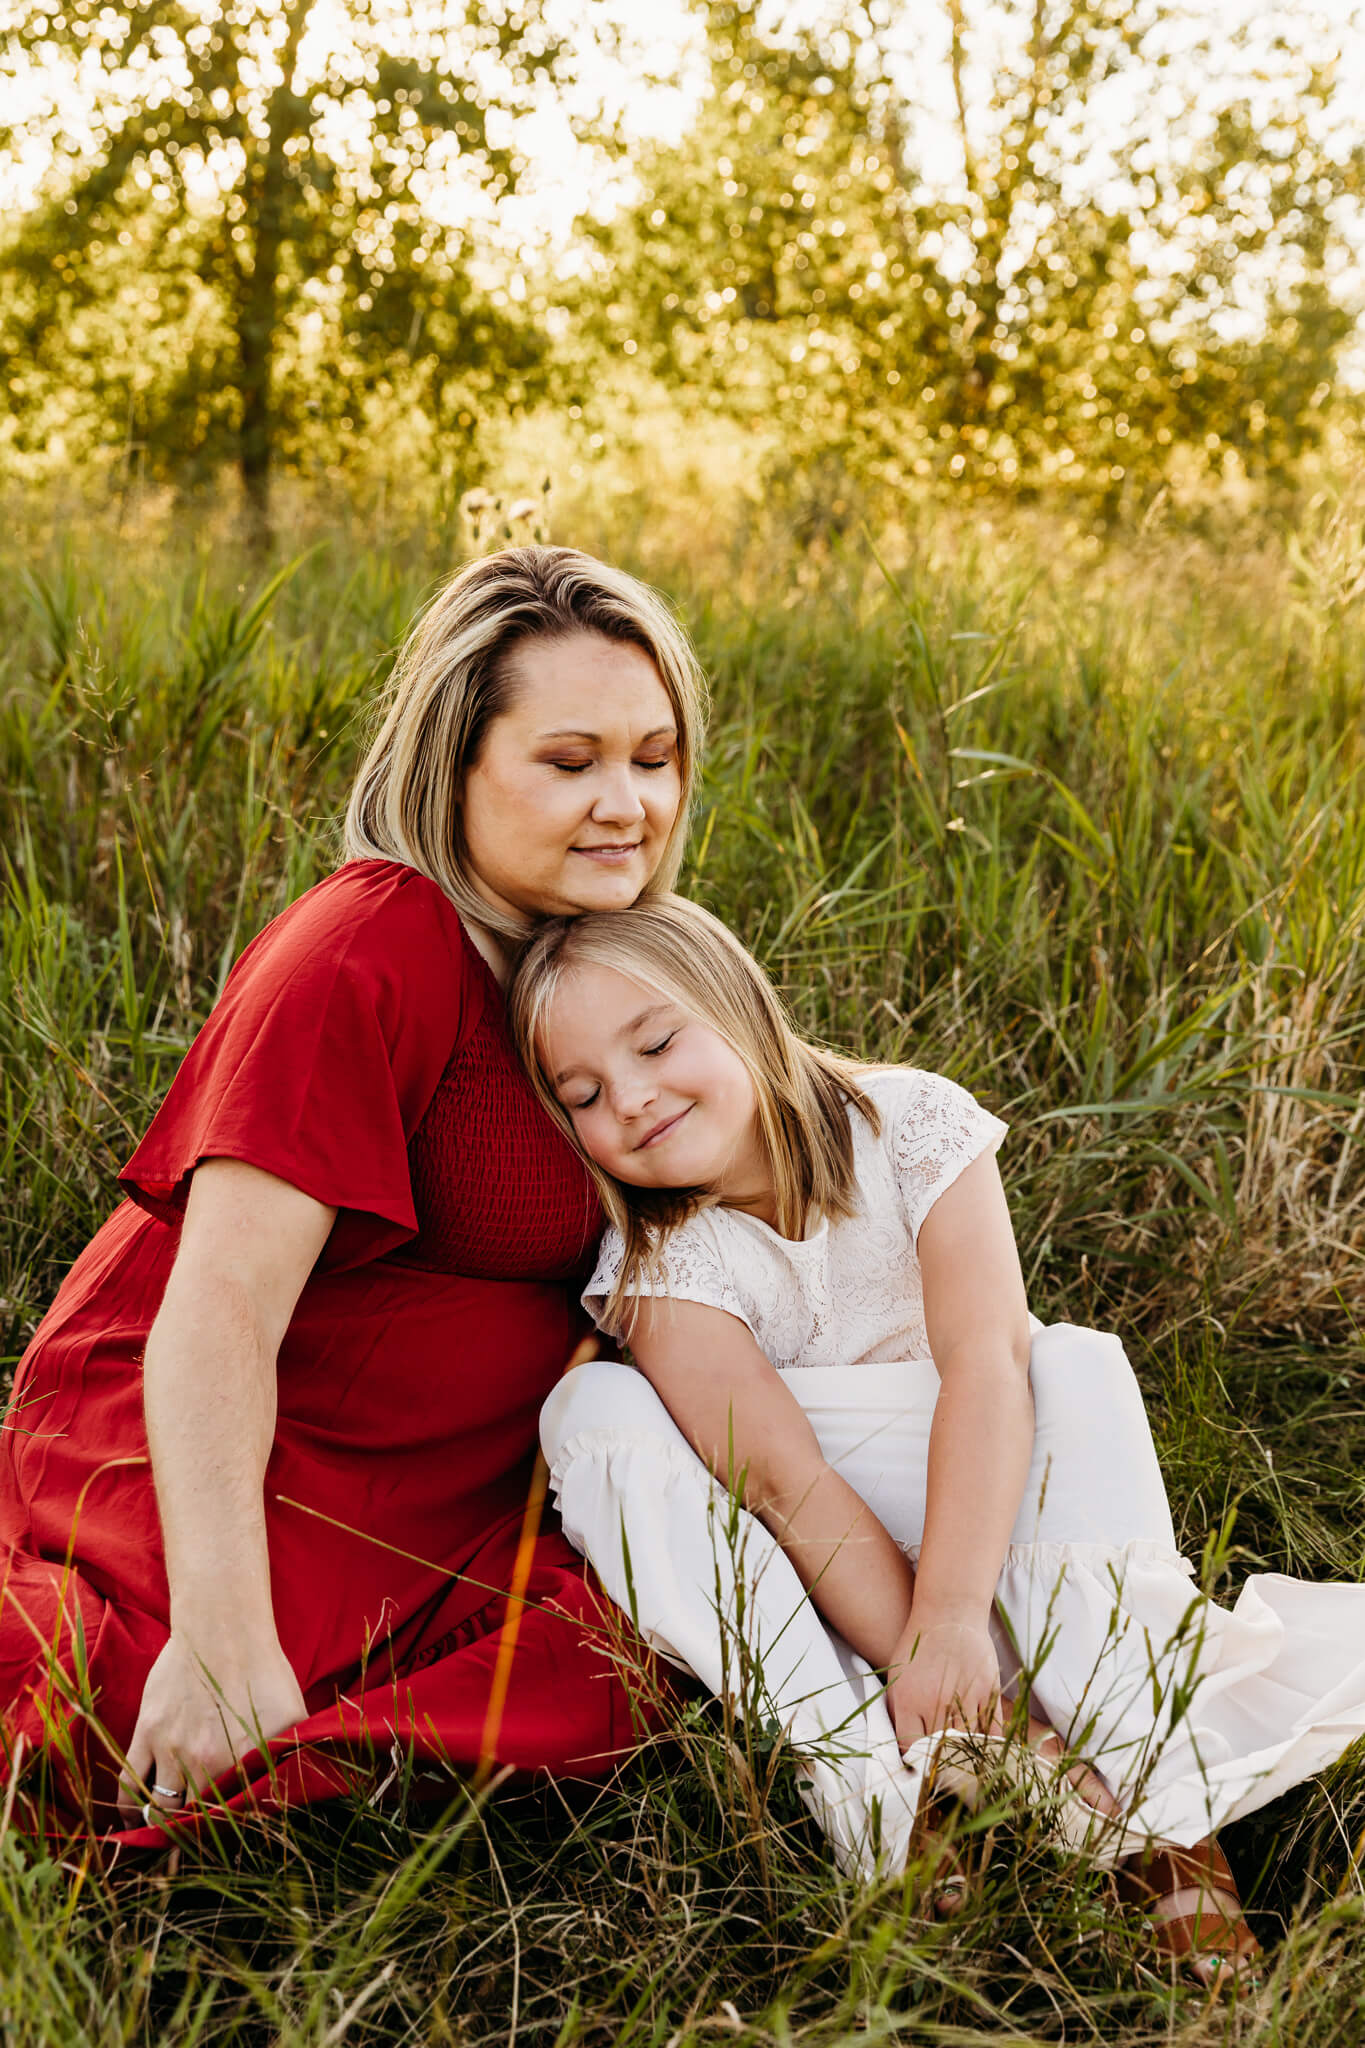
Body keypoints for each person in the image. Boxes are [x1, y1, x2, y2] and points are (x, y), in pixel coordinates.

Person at [509, 894, 1365, 1989]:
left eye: (660, 1040)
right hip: (813, 1560)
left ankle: (1154, 1815)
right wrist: (928, 1654)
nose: (631, 1099)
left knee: (1072, 1360)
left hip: (993, 1509)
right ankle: (898, 1782)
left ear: (741, 1005)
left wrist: (954, 1615)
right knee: (596, 1415)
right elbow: (783, 1478)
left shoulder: (908, 1123)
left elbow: (985, 1366)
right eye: (582, 1095)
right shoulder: (657, 1256)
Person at [0, 545, 708, 1844]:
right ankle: (252, 1774)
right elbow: (215, 1310)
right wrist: (220, 1631)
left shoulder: (614, 974)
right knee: (90, 1705)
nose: (627, 803)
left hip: (450, 1506)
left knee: (644, 1644)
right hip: (225, 1460)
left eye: (653, 758)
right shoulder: (372, 942)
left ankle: (294, 1797)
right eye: (570, 762)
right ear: (453, 768)